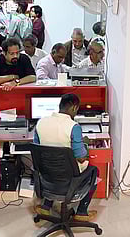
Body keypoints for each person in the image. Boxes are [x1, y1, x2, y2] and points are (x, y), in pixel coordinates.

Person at [33, 93, 97, 222]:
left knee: (54, 167)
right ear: (74, 108)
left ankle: (46, 206)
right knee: (94, 171)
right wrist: (85, 145)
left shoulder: (40, 123)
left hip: (47, 177)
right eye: (77, 110)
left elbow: (37, 150)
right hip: (68, 179)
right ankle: (82, 212)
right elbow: (81, 158)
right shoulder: (74, 127)